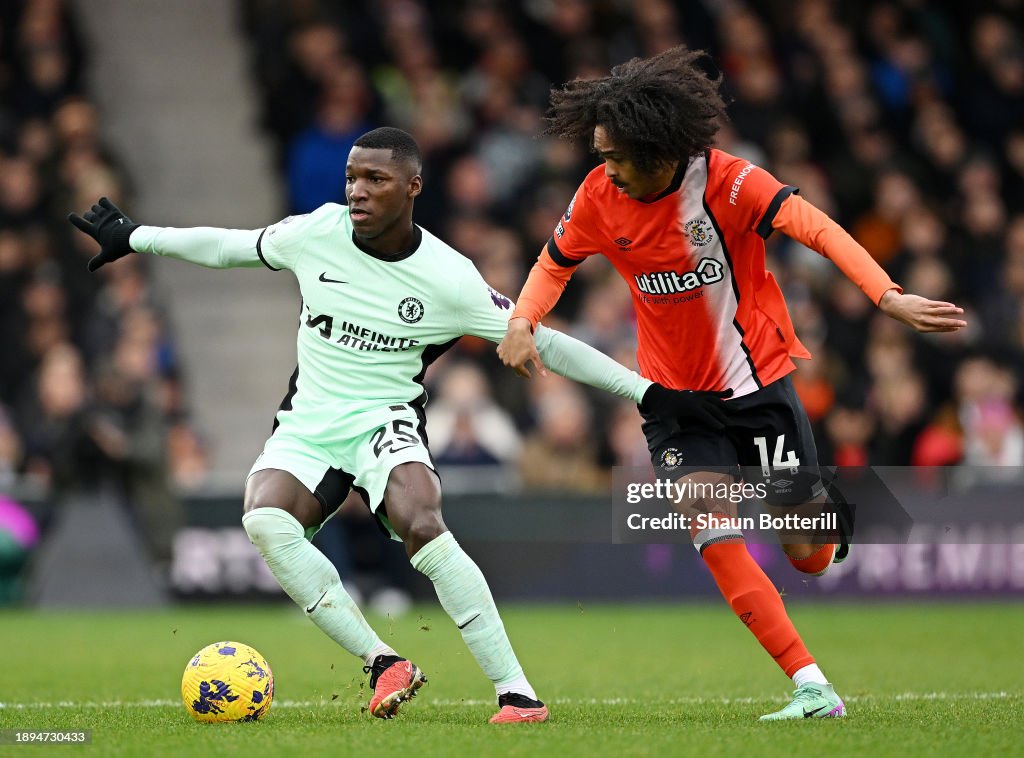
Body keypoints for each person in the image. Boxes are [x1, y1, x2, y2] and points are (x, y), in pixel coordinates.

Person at [69, 126, 713, 724]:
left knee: (423, 524)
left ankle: (516, 692)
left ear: (413, 188)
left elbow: (539, 337)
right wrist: (136, 237)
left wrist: (643, 390)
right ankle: (384, 661)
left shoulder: (448, 278)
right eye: (352, 177)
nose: (357, 191)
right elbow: (228, 247)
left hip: (385, 420)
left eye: (376, 179)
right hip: (311, 420)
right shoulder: (314, 233)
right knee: (265, 521)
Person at [497, 47, 967, 721]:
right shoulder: (600, 196)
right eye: (599, 155)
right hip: (674, 403)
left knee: (808, 555)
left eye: (617, 156)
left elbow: (819, 229)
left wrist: (885, 295)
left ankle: (825, 508)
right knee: (708, 526)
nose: (606, 169)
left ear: (659, 148)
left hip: (757, 391)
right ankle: (812, 686)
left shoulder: (728, 184)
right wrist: (521, 320)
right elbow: (553, 262)